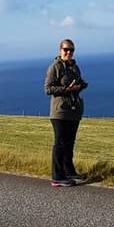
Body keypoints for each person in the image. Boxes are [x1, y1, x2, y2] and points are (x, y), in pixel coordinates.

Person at [44, 38, 88, 187]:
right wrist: (66, 89)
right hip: (60, 112)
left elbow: (79, 82)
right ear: (60, 50)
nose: (69, 52)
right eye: (66, 49)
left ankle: (69, 171)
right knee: (60, 144)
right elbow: (48, 89)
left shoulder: (74, 67)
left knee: (70, 143)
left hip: (73, 111)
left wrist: (81, 85)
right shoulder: (54, 67)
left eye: (71, 50)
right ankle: (57, 176)